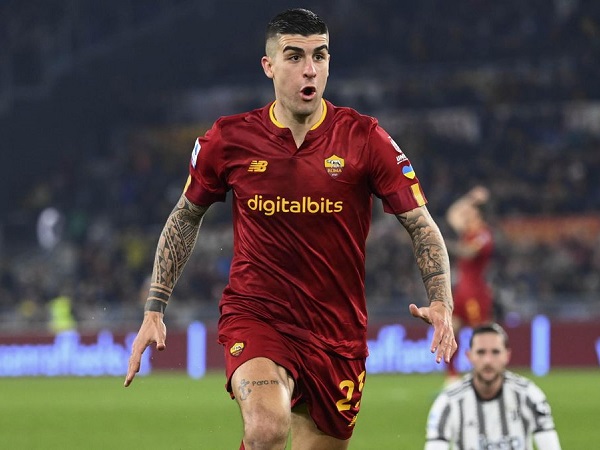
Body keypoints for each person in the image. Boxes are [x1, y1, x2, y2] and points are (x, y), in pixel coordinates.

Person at [124, 8, 457, 450]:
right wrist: (155, 308)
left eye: (320, 55)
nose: (310, 69)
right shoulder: (229, 139)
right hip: (257, 315)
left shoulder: (365, 138)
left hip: (336, 332)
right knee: (266, 428)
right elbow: (185, 217)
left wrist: (442, 300)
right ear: (269, 65)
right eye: (295, 56)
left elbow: (421, 225)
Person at [425, 323, 562, 450]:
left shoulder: (529, 396)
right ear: (469, 356)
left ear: (507, 355)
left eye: (495, 352)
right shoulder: (448, 402)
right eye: (481, 352)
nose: (488, 360)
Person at [444, 185, 494, 379]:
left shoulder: (483, 235)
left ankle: (485, 375)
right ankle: (452, 377)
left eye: (470, 211)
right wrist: (471, 198)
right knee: (450, 330)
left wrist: (443, 245)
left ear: (478, 216)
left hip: (476, 292)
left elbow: (468, 252)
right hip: (461, 292)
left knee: (481, 336)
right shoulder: (467, 232)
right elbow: (452, 213)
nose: (465, 213)